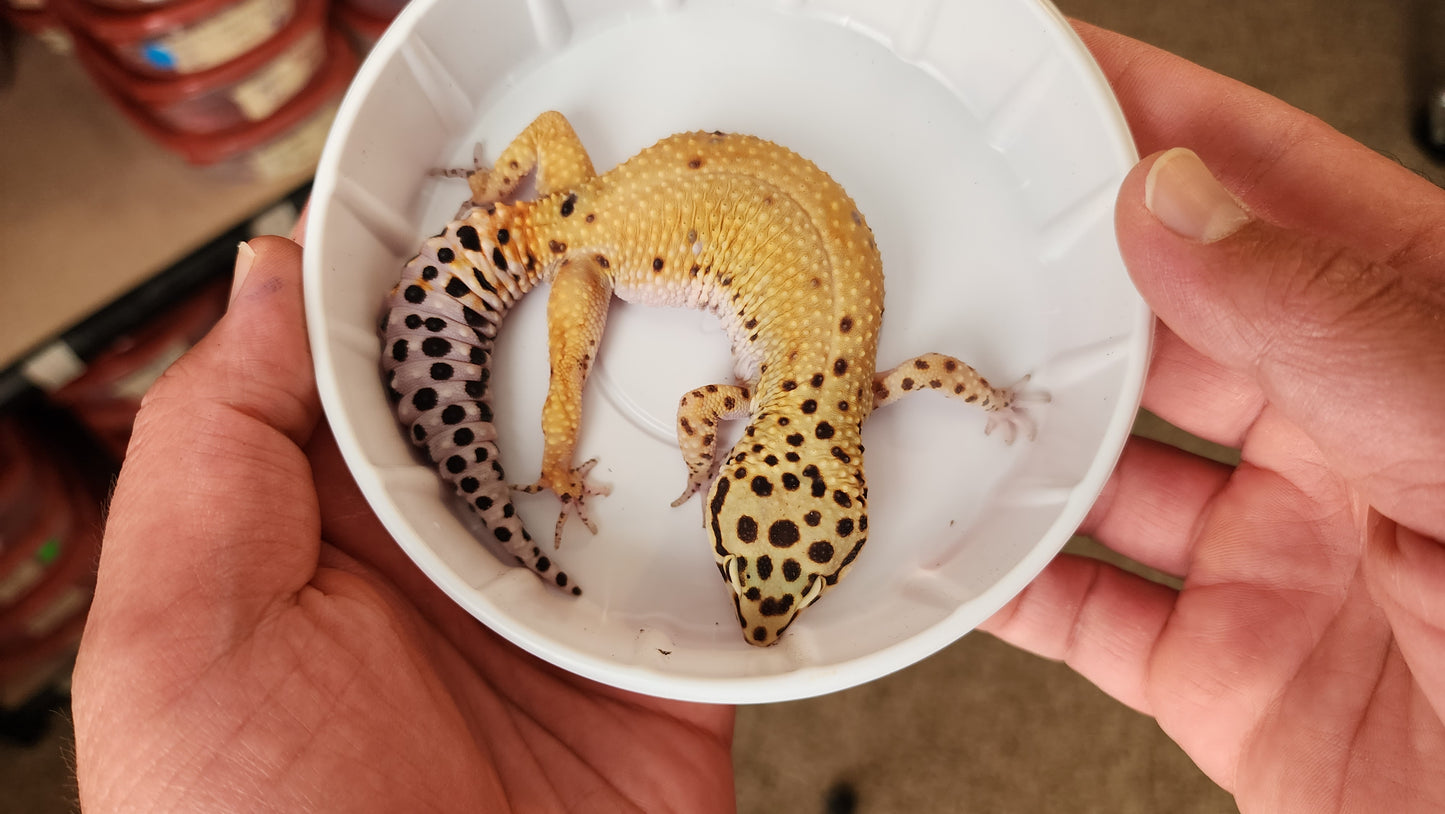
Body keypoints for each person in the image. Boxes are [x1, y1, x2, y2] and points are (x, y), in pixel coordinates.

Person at [70, 21, 1445, 813]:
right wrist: (582, 446)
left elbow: (874, 383)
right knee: (558, 379)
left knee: (552, 354)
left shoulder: (846, 395)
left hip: (655, 196)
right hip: (621, 230)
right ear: (825, 483)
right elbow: (822, 390)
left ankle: (537, 419)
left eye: (750, 556)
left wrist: (694, 435)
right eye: (771, 559)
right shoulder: (679, 319)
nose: (755, 593)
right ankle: (548, 444)